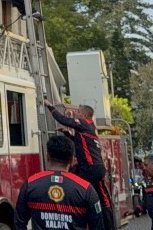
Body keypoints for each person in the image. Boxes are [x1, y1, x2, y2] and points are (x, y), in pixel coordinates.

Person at [43, 99, 115, 230]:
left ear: (84, 115)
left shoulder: (83, 124)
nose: (76, 114)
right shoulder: (90, 128)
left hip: (88, 168)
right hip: (98, 168)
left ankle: (72, 219)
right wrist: (67, 134)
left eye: (78, 112)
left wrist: (49, 106)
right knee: (102, 199)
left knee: (74, 189)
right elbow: (80, 146)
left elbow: (63, 119)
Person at [15, 134, 104, 230]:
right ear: (72, 160)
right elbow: (98, 226)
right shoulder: (86, 189)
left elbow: (18, 223)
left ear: (47, 157)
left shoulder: (30, 184)